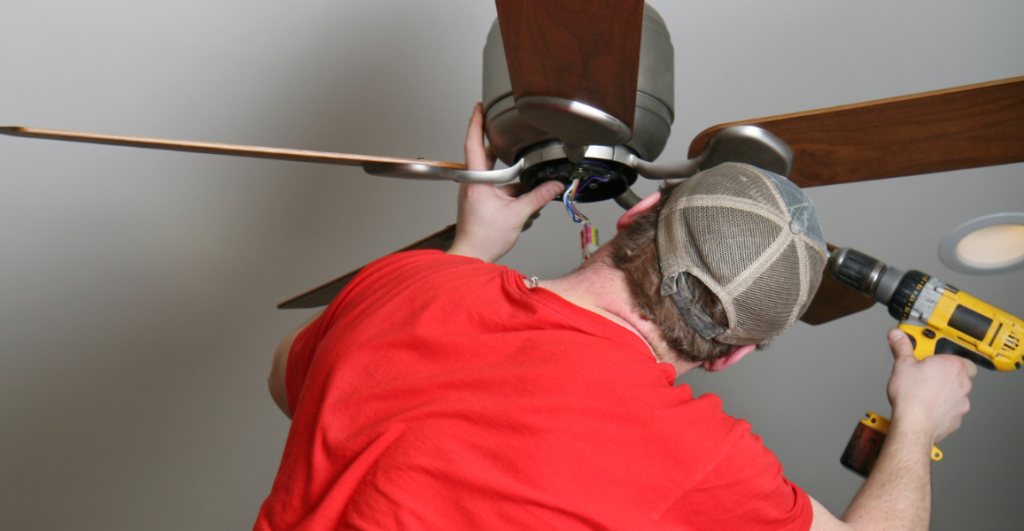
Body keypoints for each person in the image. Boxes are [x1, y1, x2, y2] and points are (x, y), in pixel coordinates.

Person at [254, 104, 975, 530]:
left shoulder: (407, 282)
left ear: (636, 213)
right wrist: (918, 420)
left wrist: (469, 250)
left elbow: (292, 381)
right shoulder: (698, 455)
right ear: (731, 354)